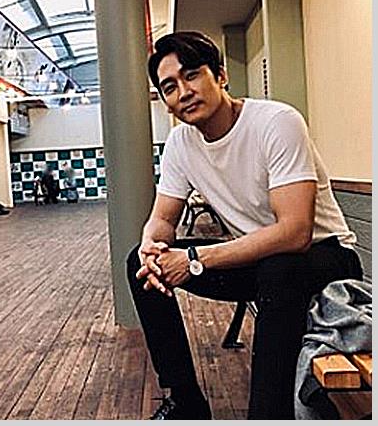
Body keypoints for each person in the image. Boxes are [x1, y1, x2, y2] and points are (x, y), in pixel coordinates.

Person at [126, 31, 363, 420]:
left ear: (220, 75)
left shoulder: (277, 122)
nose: (183, 92)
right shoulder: (181, 144)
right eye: (169, 87)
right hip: (260, 263)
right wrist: (152, 248)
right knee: (139, 264)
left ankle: (268, 415)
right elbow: (163, 219)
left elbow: (295, 233)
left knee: (280, 268)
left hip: (325, 258)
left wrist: (196, 258)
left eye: (192, 75)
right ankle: (186, 402)